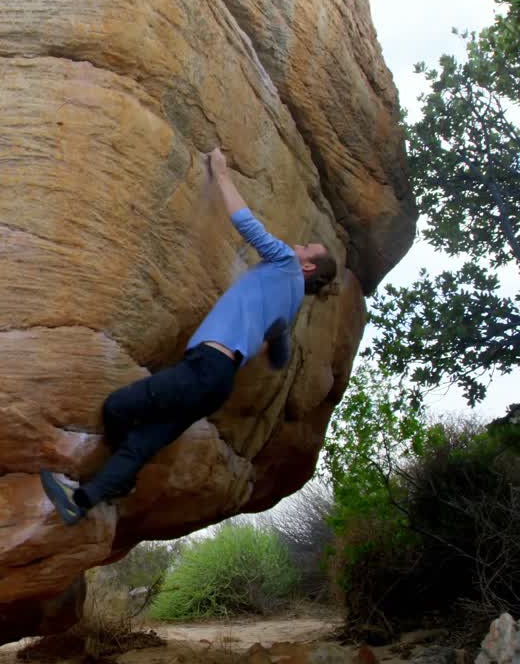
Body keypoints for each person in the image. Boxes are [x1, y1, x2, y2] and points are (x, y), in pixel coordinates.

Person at [41, 148, 338, 525]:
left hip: (206, 367)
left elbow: (247, 225)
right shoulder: (291, 303)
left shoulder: (283, 262)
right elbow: (278, 356)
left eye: (306, 248)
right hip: (216, 384)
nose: (298, 246)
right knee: (142, 442)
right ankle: (87, 498)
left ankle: (118, 474)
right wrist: (270, 337)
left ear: (307, 264)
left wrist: (221, 174)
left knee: (118, 406)